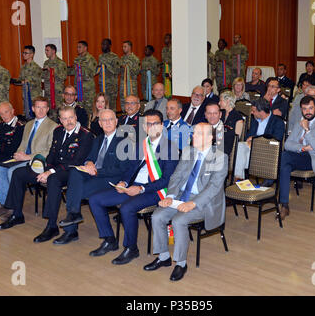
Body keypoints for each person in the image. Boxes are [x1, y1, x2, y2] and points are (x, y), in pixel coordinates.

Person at [88, 110, 179, 265]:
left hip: (155, 190)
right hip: (133, 187)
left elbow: (166, 180)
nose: (152, 127)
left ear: (162, 126)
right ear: (144, 126)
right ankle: (109, 239)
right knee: (95, 199)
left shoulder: (170, 148)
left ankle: (131, 248)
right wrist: (123, 182)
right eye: (148, 124)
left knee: (126, 208)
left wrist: (141, 189)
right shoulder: (140, 145)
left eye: (155, 124)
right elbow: (130, 169)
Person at [144, 123, 228, 281]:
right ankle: (163, 257)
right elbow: (176, 176)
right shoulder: (189, 151)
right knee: (157, 216)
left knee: (179, 220)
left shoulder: (220, 157)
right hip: (181, 196)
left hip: (203, 201)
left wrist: (193, 203)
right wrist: (170, 196)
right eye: (194, 133)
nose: (193, 136)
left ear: (210, 138)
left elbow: (213, 188)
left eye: (198, 133)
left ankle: (181, 263)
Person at [0, 106, 93, 231]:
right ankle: (16, 214)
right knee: (18, 173)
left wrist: (49, 172)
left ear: (75, 117)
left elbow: (76, 161)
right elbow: (52, 154)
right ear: (60, 120)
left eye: (71, 117)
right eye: (64, 119)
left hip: (70, 171)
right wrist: (45, 168)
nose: (68, 121)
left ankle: (51, 226)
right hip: (52, 168)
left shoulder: (85, 134)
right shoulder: (58, 131)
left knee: (53, 179)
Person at [54, 109, 129, 243]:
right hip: (94, 175)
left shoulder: (124, 141)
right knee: (75, 172)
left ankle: (71, 227)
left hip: (111, 179)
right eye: (104, 120)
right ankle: (73, 215)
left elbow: (121, 169)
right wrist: (88, 163)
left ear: (116, 122)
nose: (107, 123)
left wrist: (97, 172)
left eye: (110, 119)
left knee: (73, 191)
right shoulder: (99, 139)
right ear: (99, 123)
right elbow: (89, 158)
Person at [0, 97, 58, 219]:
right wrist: (18, 154)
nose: (41, 110)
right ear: (33, 108)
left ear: (48, 109)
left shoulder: (53, 126)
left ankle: (14, 208)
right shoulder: (29, 125)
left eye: (44, 107)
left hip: (38, 161)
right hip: (23, 158)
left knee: (12, 171)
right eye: (38, 107)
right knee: (0, 168)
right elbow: (23, 144)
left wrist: (27, 157)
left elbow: (49, 151)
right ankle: (5, 204)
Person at [278, 96, 315, 220]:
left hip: (312, 160)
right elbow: (287, 144)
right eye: (305, 109)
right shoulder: (298, 123)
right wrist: (302, 148)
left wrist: (307, 129)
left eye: (310, 108)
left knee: (284, 157)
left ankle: (270, 183)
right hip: (297, 156)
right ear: (301, 110)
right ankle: (284, 204)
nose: (308, 112)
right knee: (285, 165)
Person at [234, 98, 285, 180]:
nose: (251, 112)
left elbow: (276, 141)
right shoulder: (255, 120)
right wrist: (250, 141)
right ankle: (239, 178)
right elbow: (248, 136)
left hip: (267, 150)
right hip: (251, 147)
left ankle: (239, 179)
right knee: (240, 146)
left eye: (253, 111)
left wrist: (255, 141)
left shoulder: (278, 122)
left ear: (261, 112)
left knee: (241, 155)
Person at [11, 45, 42, 120]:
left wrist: (26, 82)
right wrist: (14, 81)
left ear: (32, 54)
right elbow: (21, 79)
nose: (23, 55)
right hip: (25, 95)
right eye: (23, 53)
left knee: (35, 115)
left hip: (33, 96)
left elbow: (37, 83)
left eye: (26, 53)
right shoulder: (23, 67)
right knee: (26, 116)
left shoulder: (36, 67)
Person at [68, 41, 98, 116]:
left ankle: (90, 126)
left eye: (79, 47)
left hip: (88, 91)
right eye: (77, 47)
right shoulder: (77, 59)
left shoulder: (90, 59)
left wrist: (80, 69)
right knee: (79, 110)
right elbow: (73, 72)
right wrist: (67, 69)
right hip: (78, 89)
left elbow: (92, 73)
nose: (78, 49)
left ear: (85, 48)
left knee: (89, 110)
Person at [42, 44, 68, 121]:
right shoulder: (46, 63)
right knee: (49, 114)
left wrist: (52, 71)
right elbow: (44, 77)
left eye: (47, 50)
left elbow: (64, 77)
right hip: (48, 93)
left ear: (53, 51)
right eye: (45, 50)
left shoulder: (61, 63)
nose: (46, 52)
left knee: (58, 114)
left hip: (57, 94)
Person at [97, 38, 121, 111]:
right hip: (102, 86)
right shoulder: (100, 56)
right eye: (102, 44)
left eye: (105, 44)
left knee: (111, 107)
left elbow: (117, 70)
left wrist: (107, 66)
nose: (103, 46)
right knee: (103, 107)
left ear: (109, 45)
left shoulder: (114, 57)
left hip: (111, 87)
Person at [119, 41, 140, 111]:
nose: (123, 48)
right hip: (123, 84)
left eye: (125, 46)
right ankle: (124, 116)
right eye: (123, 47)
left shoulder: (135, 59)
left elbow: (137, 71)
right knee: (123, 100)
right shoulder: (121, 59)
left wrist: (127, 68)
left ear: (130, 47)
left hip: (131, 84)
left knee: (133, 101)